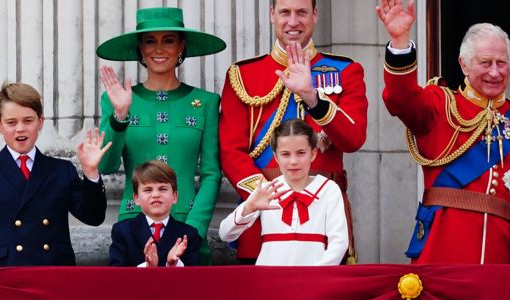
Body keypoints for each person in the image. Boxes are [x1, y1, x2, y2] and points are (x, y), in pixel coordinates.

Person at [376, 0, 510, 264]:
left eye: (501, 63)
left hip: (500, 256)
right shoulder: (440, 105)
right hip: (442, 251)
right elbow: (400, 98)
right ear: (464, 64)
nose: (495, 72)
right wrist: (400, 41)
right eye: (485, 63)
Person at [219, 0, 366, 264]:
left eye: (302, 12)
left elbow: (354, 139)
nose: (293, 21)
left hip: (324, 213)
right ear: (272, 15)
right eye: (285, 12)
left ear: (315, 15)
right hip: (266, 212)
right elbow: (231, 151)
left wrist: (313, 98)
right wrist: (272, 196)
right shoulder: (243, 75)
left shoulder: (346, 71)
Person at [97, 7, 225, 265]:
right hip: (133, 228)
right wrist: (120, 115)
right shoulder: (116, 100)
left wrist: (195, 229)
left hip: (187, 226)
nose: (159, 49)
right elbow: (106, 165)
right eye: (150, 41)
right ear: (140, 49)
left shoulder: (206, 102)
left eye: (168, 40)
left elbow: (212, 173)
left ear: (181, 47)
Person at [0, 83, 109, 266]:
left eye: (28, 120)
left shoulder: (62, 170)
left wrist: (91, 173)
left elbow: (93, 217)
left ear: (40, 122)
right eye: (11, 122)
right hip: (7, 272)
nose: (20, 128)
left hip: (55, 273)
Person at [218, 118, 348, 266]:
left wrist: (316, 275)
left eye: (300, 153)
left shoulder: (329, 189)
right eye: (285, 154)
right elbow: (225, 234)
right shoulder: (267, 190)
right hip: (269, 279)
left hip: (313, 280)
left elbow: (339, 243)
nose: (293, 161)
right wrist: (249, 207)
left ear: (313, 154)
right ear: (276, 157)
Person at [110, 161, 202, 267]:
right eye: (148, 190)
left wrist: (172, 264)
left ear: (174, 196)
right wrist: (147, 267)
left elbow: (192, 277)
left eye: (162, 189)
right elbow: (116, 276)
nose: (155, 194)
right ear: (136, 198)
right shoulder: (122, 231)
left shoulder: (188, 234)